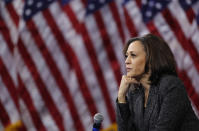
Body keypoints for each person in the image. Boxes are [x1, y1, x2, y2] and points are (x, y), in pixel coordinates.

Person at [116, 34, 199, 131]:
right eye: (126, 56)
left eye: (133, 55)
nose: (126, 61)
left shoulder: (171, 86)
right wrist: (121, 97)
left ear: (150, 59)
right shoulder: (135, 94)